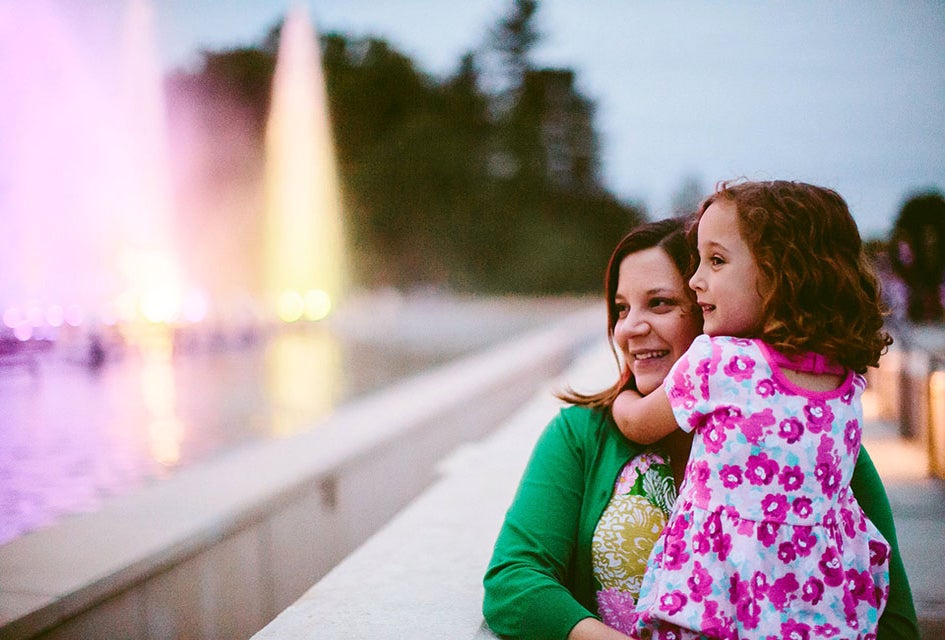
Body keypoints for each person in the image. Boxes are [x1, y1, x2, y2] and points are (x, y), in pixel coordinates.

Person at [482, 216, 919, 640]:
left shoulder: (806, 441)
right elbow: (514, 580)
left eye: (660, 303)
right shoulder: (582, 432)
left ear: (712, 309)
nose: (628, 329)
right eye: (620, 308)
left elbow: (894, 620)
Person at [609, 181, 897, 638]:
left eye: (717, 261)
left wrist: (620, 394)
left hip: (715, 603)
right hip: (815, 613)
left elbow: (638, 423)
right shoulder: (845, 387)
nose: (695, 279)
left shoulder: (718, 362)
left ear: (784, 273)